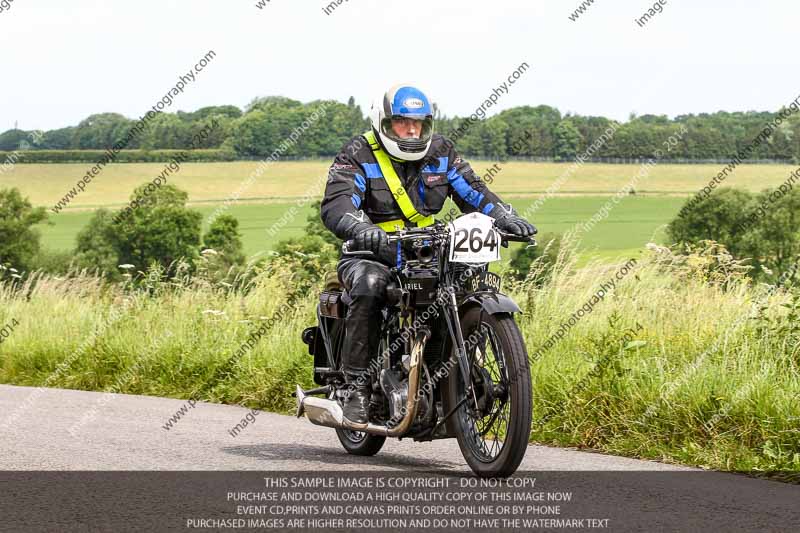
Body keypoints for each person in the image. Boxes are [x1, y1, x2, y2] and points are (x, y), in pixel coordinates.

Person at [320, 84, 536, 424]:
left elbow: (473, 190)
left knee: (464, 284)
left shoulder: (441, 151)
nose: (411, 130)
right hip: (370, 251)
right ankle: (356, 387)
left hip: (426, 249)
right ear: (385, 123)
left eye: (418, 123)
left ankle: (448, 375)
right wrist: (364, 230)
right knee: (371, 285)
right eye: (402, 122)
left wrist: (505, 217)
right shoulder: (357, 154)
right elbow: (338, 203)